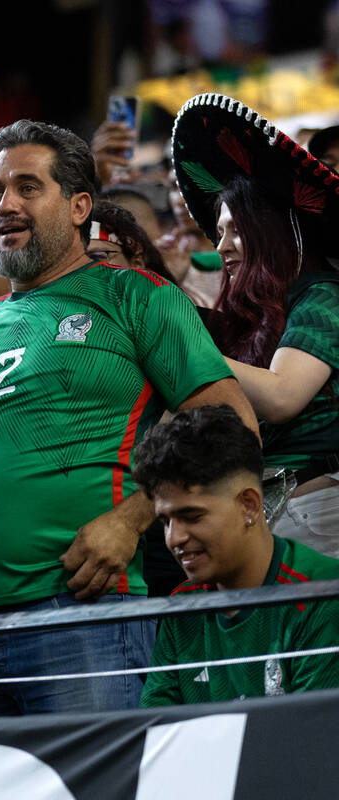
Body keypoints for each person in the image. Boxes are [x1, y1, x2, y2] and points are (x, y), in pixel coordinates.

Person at [0, 119, 258, 716]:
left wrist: (131, 521)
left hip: (83, 611)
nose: (5, 205)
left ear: (78, 206)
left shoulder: (136, 296)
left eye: (27, 187)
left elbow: (233, 427)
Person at [172, 94, 339, 556]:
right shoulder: (261, 314)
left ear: (274, 231)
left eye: (234, 230)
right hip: (269, 516)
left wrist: (181, 343)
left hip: (320, 515)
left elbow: (284, 396)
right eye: (219, 232)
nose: (221, 247)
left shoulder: (324, 295)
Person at [133, 405, 339, 706]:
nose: (174, 538)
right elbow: (157, 736)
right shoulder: (181, 609)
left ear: (249, 505)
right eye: (165, 522)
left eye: (191, 516)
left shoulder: (323, 597)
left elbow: (312, 744)